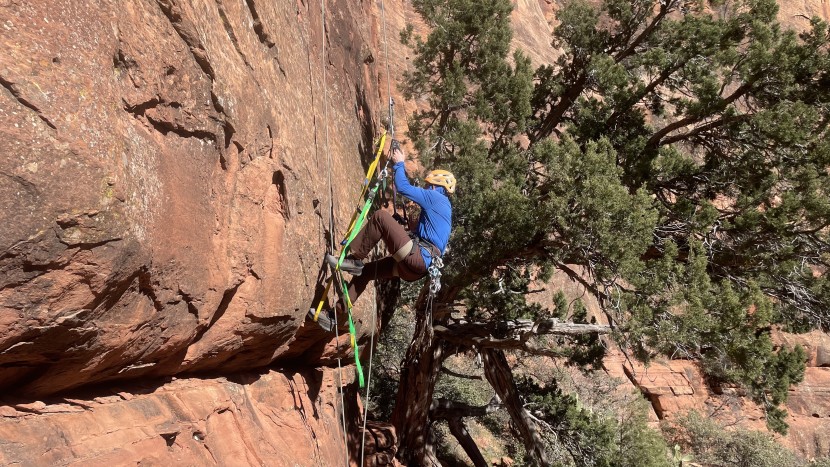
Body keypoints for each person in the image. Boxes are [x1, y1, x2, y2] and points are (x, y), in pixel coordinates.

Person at [322, 142, 455, 322]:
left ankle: (354, 260)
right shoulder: (444, 207)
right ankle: (334, 316)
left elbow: (403, 188)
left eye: (427, 185)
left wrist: (399, 162)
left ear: (434, 186)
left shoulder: (436, 197)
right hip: (415, 270)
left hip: (417, 258)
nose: (425, 188)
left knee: (380, 217)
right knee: (368, 272)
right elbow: (427, 237)